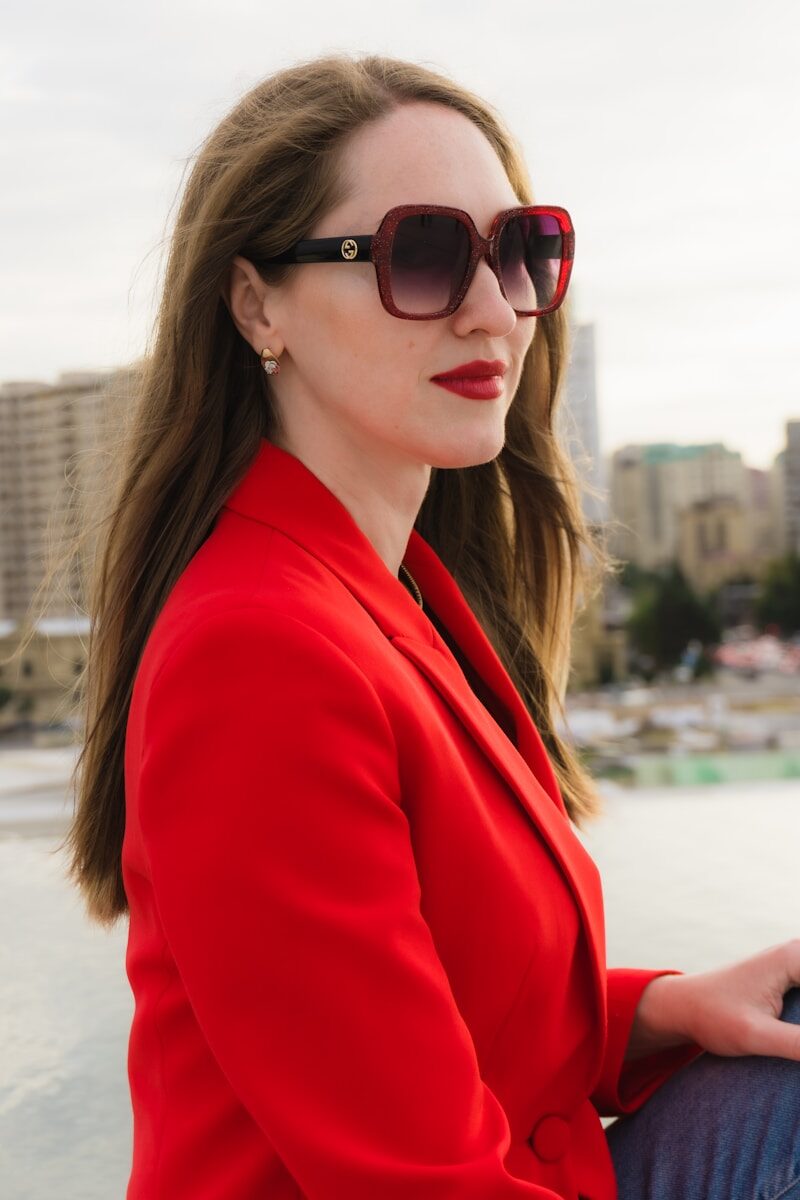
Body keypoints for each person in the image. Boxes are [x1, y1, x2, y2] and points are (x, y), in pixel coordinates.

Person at [59, 52, 800, 1200]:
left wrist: (656, 1011)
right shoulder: (256, 655)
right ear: (257, 305)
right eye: (422, 254)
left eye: (520, 251)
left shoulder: (392, 591)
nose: (495, 310)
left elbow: (445, 1007)